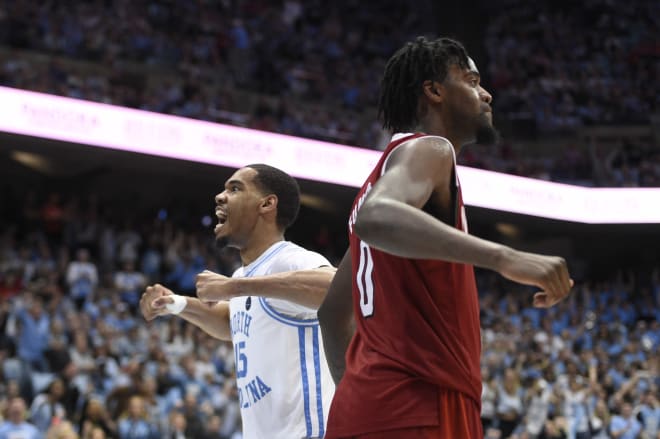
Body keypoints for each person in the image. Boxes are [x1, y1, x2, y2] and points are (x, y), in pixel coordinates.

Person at [318, 36, 573, 439]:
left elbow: (332, 315)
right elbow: (377, 217)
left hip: (369, 408)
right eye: (471, 81)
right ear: (434, 91)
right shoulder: (432, 149)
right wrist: (505, 257)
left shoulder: (374, 181)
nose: (486, 93)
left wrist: (361, 398)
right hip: (422, 402)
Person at [140, 164, 336, 439]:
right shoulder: (245, 274)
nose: (220, 196)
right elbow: (230, 322)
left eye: (234, 189)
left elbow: (336, 289)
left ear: (267, 204)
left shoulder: (288, 259)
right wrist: (176, 304)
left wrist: (234, 287)